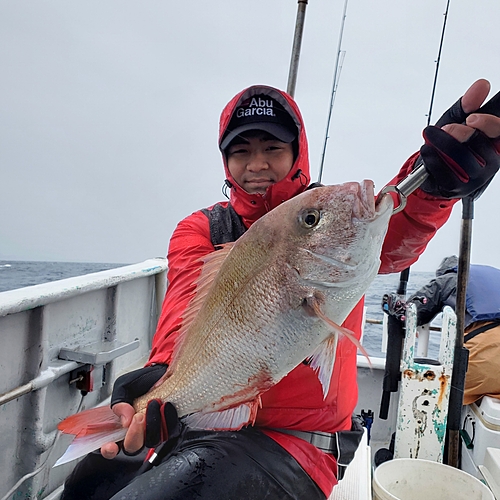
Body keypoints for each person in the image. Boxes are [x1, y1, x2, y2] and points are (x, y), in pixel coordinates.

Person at [62, 79, 500, 499]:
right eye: (241, 151)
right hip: (201, 425)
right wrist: (160, 379)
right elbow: (184, 312)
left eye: (273, 148)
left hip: (297, 445)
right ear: (225, 161)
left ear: (297, 152)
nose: (257, 164)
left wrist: (434, 183)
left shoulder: (328, 213)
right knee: (87, 483)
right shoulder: (202, 228)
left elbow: (397, 223)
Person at [409, 255, 500, 406]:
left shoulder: (451, 278)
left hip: (484, 359)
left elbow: (412, 311)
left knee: (438, 398)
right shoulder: (492, 277)